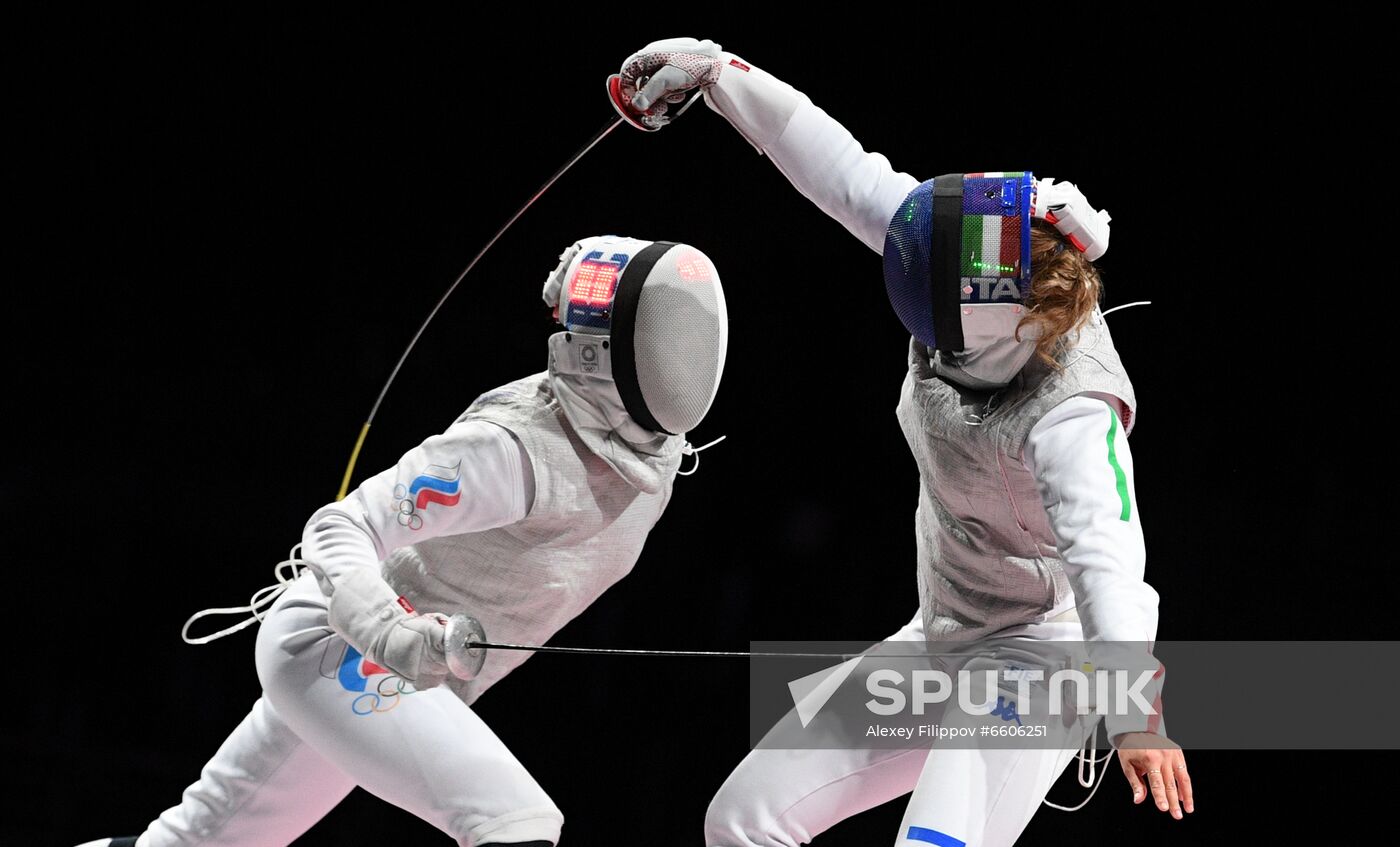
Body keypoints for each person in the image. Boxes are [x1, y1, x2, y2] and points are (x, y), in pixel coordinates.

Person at [610, 38, 1192, 847]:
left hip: (1039, 664)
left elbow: (1108, 557)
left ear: (990, 325)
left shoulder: (1073, 414)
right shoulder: (969, 258)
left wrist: (1131, 712)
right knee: (743, 819)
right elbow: (844, 172)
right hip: (942, 634)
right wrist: (719, 74)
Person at [78, 234, 729, 847]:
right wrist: (389, 628)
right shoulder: (516, 448)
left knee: (193, 840)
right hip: (339, 647)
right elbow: (339, 526)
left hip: (401, 676)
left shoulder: (652, 467)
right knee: (515, 821)